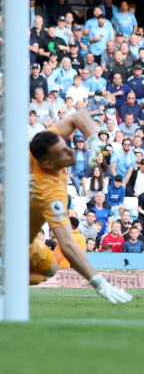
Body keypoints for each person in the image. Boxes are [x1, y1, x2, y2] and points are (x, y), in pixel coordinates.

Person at [26, 111, 131, 303]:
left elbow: (79, 116)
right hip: (10, 237)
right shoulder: (51, 194)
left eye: (66, 145)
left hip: (23, 236)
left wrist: (94, 142)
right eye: (62, 152)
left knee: (50, 268)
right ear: (48, 163)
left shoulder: (38, 148)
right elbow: (66, 245)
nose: (71, 151)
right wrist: (98, 282)